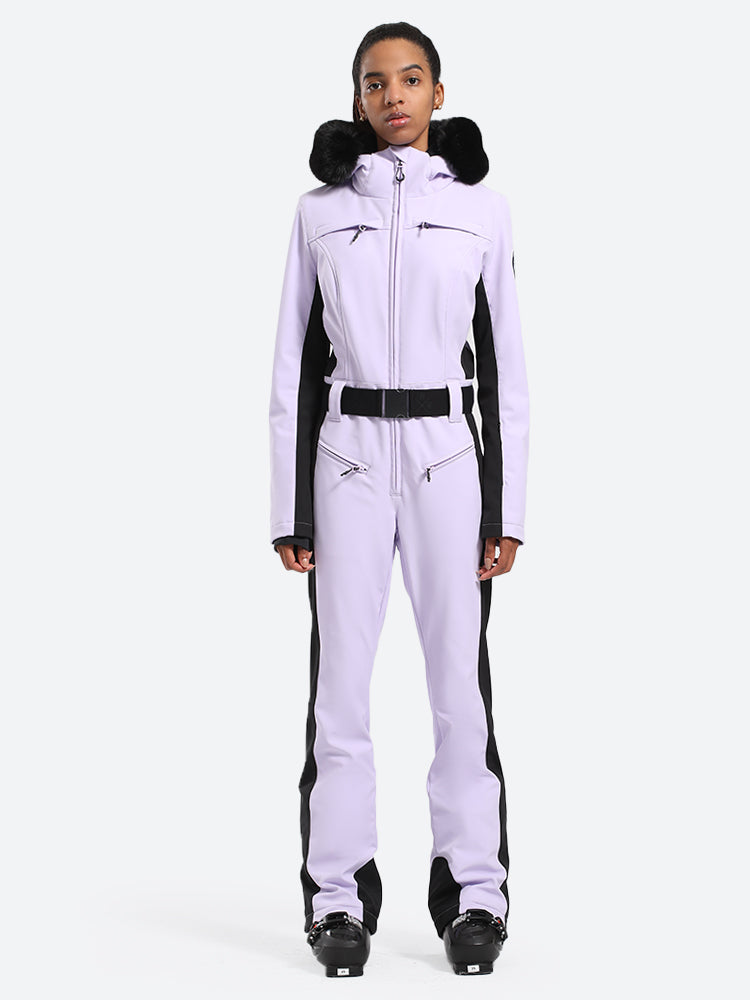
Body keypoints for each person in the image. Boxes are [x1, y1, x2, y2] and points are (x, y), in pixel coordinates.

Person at [268, 21, 529, 977]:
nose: (394, 97)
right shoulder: (318, 213)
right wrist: (290, 509)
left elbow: (504, 368)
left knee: (459, 685)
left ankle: (476, 894)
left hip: (445, 458)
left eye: (410, 79)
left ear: (437, 92)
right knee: (339, 688)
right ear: (358, 98)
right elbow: (294, 365)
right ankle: (336, 898)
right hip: (345, 458)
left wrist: (505, 509)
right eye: (376, 83)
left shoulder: (482, 210)